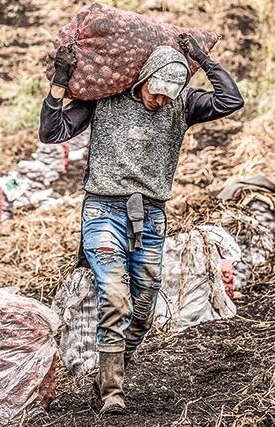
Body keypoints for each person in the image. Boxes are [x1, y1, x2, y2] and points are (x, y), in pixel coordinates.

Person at [39, 35, 244, 414]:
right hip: (103, 211)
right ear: (143, 77)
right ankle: (112, 393)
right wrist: (60, 82)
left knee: (144, 307)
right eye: (156, 91)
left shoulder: (183, 104)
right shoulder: (107, 98)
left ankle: (109, 370)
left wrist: (202, 58)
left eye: (169, 94)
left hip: (150, 216)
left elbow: (231, 100)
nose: (160, 100)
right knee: (115, 295)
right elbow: (52, 132)